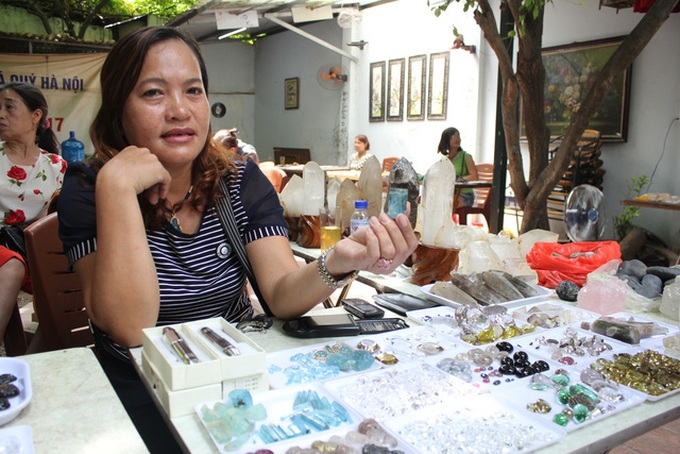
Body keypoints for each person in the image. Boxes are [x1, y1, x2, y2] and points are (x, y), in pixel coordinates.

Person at [57, 27, 418, 453]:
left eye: (193, 90)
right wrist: (117, 188)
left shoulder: (239, 182)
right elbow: (130, 328)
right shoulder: (90, 188)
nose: (179, 110)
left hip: (237, 385)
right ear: (118, 109)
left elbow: (281, 294)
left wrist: (337, 261)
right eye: (153, 93)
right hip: (139, 397)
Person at [0, 82, 66, 344]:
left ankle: (31, 360)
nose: (1, 114)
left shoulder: (56, 166)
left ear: (35, 116)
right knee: (12, 267)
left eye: (8, 107)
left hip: (32, 249)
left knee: (80, 273)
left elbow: (61, 219)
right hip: (6, 254)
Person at [437, 127, 479, 208]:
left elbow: (475, 176)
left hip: (465, 195)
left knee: (447, 205)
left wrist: (459, 179)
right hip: (449, 194)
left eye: (458, 136)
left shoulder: (466, 157)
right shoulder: (444, 159)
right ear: (446, 140)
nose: (457, 139)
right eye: (453, 137)